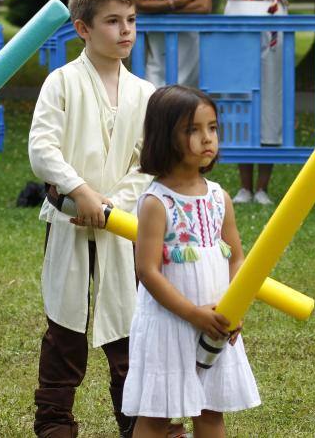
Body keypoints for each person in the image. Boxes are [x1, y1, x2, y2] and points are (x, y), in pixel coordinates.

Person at [28, 0, 155, 438]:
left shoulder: (145, 93)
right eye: (112, 22)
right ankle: (54, 421)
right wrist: (79, 191)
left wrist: (111, 205)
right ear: (82, 28)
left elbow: (149, 162)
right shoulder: (60, 83)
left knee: (128, 326)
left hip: (122, 229)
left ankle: (138, 421)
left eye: (131, 21)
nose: (125, 31)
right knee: (65, 327)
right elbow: (43, 149)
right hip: (68, 222)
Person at [122, 85, 260, 437]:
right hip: (170, 326)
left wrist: (235, 306)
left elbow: (237, 256)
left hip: (216, 322)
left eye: (212, 128)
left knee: (211, 410)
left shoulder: (219, 197)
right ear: (165, 137)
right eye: (192, 130)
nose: (206, 138)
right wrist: (193, 313)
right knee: (157, 416)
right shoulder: (156, 202)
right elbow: (147, 272)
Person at [216, 0, 296, 205]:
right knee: (238, 94)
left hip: (272, 14)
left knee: (271, 95)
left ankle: (263, 186)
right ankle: (244, 185)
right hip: (236, 13)